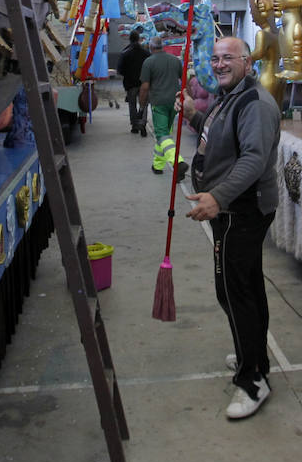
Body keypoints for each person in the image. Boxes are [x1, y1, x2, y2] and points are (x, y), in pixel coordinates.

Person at [178, 36, 281, 420]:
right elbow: (219, 134)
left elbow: (253, 159)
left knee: (233, 291)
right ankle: (251, 354)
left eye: (228, 58)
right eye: (216, 58)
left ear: (247, 61)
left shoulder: (254, 103)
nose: (220, 64)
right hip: (231, 209)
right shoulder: (230, 96)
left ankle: (252, 380)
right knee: (247, 286)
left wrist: (218, 197)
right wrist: (192, 114)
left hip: (242, 210)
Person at [139, 36, 183, 175]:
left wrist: (142, 105)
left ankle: (178, 162)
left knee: (162, 134)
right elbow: (185, 80)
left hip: (159, 103)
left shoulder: (149, 62)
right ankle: (157, 166)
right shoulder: (175, 60)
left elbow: (145, 87)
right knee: (164, 135)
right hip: (175, 103)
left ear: (151, 47)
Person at [117, 30, 149, 136]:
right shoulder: (146, 53)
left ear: (129, 39)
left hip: (130, 84)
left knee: (132, 105)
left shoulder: (125, 53)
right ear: (139, 38)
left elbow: (120, 70)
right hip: (143, 83)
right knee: (143, 103)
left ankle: (135, 126)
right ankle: (143, 123)